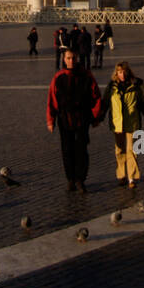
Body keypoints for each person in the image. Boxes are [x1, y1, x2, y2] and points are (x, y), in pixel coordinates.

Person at [46, 49, 103, 192]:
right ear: (64, 59)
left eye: (73, 58)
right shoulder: (58, 77)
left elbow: (96, 97)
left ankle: (80, 179)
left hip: (82, 118)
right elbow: (52, 100)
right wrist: (50, 120)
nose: (71, 60)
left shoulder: (86, 75)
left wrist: (96, 117)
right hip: (64, 118)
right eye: (69, 58)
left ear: (77, 58)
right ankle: (70, 179)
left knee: (81, 149)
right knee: (67, 150)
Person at [104, 62, 144, 187]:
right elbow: (105, 102)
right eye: (120, 72)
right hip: (117, 123)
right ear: (116, 73)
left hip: (133, 122)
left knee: (133, 150)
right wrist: (98, 117)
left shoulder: (136, 85)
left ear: (128, 72)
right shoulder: (112, 86)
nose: (122, 74)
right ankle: (121, 174)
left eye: (124, 72)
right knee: (119, 149)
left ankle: (132, 177)